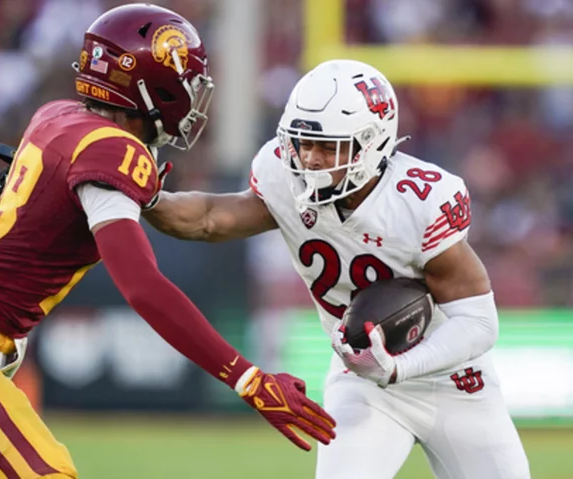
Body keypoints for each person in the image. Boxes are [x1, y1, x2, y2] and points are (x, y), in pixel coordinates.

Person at [0, 5, 335, 478]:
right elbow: (143, 287)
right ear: (151, 85)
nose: (193, 94)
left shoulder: (56, 117)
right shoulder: (114, 152)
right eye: (187, 81)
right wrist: (247, 378)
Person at [144, 59, 531, 478]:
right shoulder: (282, 175)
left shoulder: (420, 200)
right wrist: (148, 197)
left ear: (373, 142)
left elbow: (477, 321)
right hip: (362, 381)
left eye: (329, 146)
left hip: (453, 380)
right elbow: (208, 218)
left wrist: (399, 367)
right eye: (303, 143)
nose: (310, 159)